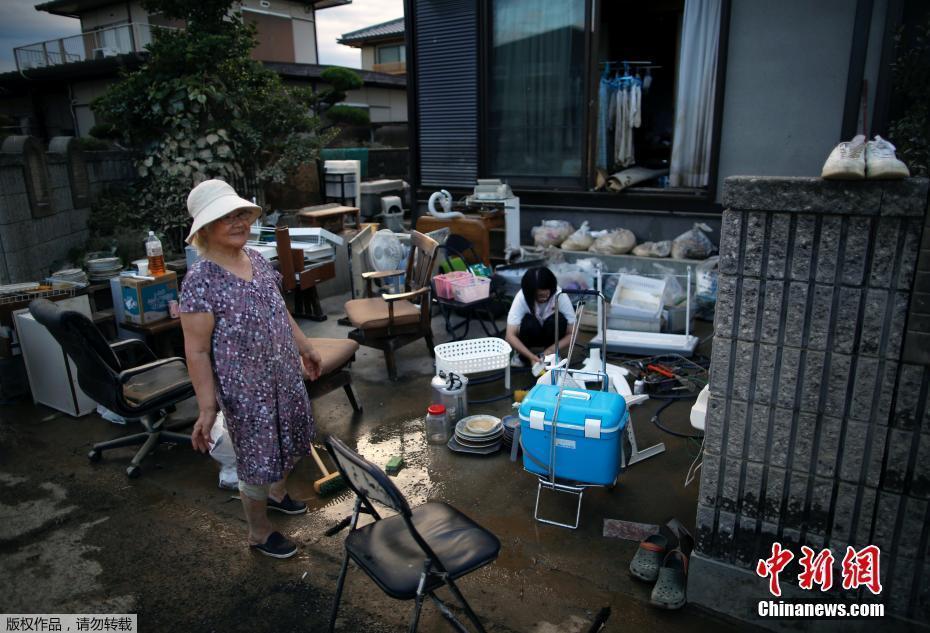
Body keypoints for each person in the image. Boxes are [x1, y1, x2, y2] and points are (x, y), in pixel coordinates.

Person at [179, 179, 322, 560]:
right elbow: (196, 351)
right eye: (227, 217)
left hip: (285, 377)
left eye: (241, 213)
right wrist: (207, 408)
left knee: (292, 437)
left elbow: (280, 311)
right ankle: (259, 532)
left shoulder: (257, 259)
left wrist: (305, 347)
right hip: (246, 394)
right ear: (205, 228)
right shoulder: (200, 280)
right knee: (257, 460)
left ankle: (277, 494)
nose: (239, 222)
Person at [505, 266, 576, 367]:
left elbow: (572, 333)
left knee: (557, 319)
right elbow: (510, 336)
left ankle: (552, 355)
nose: (545, 298)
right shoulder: (521, 297)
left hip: (551, 335)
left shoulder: (559, 295)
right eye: (540, 296)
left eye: (547, 295)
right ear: (529, 293)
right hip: (531, 334)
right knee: (528, 322)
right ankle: (523, 356)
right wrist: (530, 356)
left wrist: (551, 349)